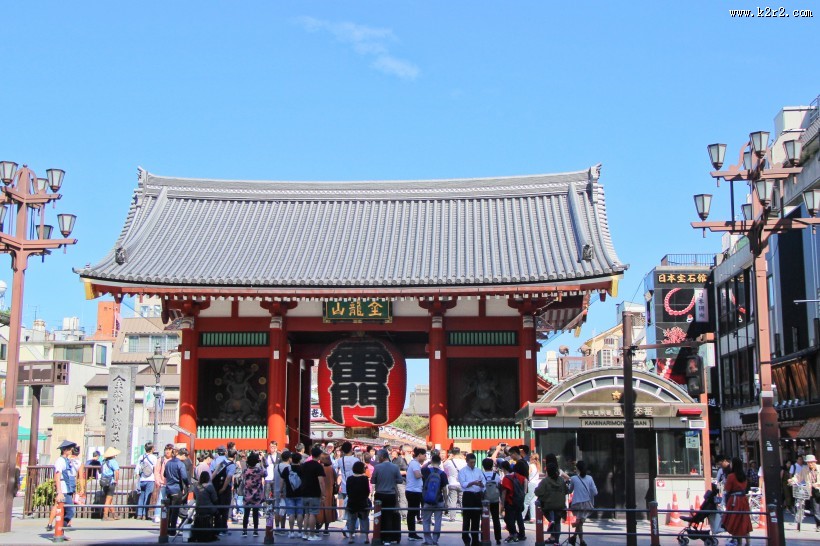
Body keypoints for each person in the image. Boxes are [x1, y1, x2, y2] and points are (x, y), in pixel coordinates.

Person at [371, 448, 403, 545]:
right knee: (389, 516)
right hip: (391, 494)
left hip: (380, 494)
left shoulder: (377, 467)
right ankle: (388, 538)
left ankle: (379, 536)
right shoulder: (395, 467)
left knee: (378, 516)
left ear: (381, 457)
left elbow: (372, 481)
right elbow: (400, 480)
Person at [535, 461, 570, 545]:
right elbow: (566, 491)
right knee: (558, 521)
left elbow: (538, 492)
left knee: (541, 503)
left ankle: (551, 520)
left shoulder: (545, 481)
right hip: (560, 505)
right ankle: (556, 541)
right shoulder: (561, 480)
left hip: (548, 505)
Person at [723, 457, 753, 546]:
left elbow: (727, 489)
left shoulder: (731, 476)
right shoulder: (744, 477)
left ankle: (738, 542)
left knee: (735, 521)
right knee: (745, 520)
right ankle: (748, 542)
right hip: (743, 499)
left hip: (734, 500)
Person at [300, 445, 327, 541]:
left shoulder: (304, 465)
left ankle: (305, 533)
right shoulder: (318, 466)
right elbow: (321, 481)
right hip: (314, 492)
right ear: (319, 455)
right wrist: (323, 493)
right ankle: (311, 534)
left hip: (304, 492)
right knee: (313, 513)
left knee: (306, 514)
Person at [421, 453, 448, 546]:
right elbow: (445, 489)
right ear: (440, 462)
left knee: (426, 520)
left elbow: (421, 468)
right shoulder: (443, 474)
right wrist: (446, 502)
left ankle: (428, 540)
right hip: (439, 500)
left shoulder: (426, 471)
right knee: (438, 521)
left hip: (427, 500)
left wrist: (428, 462)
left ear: (431, 461)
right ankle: (435, 540)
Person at [568, 460, 598, 546]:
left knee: (579, 522)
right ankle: (580, 541)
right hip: (587, 504)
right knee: (580, 522)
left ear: (577, 469)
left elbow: (570, 490)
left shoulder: (574, 478)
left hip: (576, 503)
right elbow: (595, 492)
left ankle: (575, 538)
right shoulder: (590, 478)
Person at [52, 440, 79, 531]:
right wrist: (59, 492)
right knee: (70, 511)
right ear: (65, 450)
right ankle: (59, 530)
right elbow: (57, 475)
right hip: (63, 490)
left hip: (68, 489)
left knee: (66, 511)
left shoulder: (67, 460)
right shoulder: (60, 461)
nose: (72, 451)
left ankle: (60, 531)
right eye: (70, 449)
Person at [334, 441, 360, 535]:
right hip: (355, 486)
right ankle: (350, 527)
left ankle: (351, 527)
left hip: (345, 486)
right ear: (351, 449)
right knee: (354, 508)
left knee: (348, 507)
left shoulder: (341, 460)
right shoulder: (356, 460)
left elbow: (335, 469)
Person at [164, 445, 189, 537]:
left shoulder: (168, 463)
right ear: (183, 455)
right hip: (176, 488)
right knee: (175, 511)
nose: (185, 459)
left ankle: (166, 528)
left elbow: (165, 474)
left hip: (168, 489)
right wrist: (187, 484)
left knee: (169, 510)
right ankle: (173, 530)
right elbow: (184, 477)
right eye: (186, 457)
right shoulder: (180, 464)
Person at [500, 460, 526, 543]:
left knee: (508, 519)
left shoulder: (506, 478)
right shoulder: (522, 477)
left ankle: (513, 534)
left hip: (510, 501)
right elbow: (524, 490)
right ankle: (521, 534)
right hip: (519, 502)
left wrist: (502, 505)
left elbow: (504, 493)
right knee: (519, 517)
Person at [212, 447, 237, 534]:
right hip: (225, 489)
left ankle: (216, 528)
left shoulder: (222, 462)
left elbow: (214, 473)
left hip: (217, 487)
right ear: (235, 455)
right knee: (225, 509)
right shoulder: (232, 465)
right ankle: (223, 528)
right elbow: (228, 477)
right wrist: (223, 488)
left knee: (218, 508)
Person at [241, 451, 267, 537]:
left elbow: (243, 478)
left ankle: (244, 531)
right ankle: (255, 531)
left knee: (246, 513)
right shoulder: (259, 471)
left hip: (247, 494)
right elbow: (266, 473)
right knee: (255, 514)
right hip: (257, 495)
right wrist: (261, 463)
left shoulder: (245, 471)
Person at [346, 461, 372, 544]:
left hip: (352, 501)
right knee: (364, 519)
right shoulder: (364, 479)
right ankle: (366, 537)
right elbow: (367, 491)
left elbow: (348, 491)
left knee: (351, 519)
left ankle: (350, 537)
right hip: (362, 501)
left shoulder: (349, 478)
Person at [191, 470, 219, 543]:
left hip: (199, 509)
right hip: (208, 508)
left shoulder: (196, 487)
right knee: (218, 514)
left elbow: (194, 497)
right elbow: (215, 499)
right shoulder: (210, 486)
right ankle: (215, 533)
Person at [794, 454, 820, 532]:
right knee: (816, 510)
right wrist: (793, 480)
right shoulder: (805, 469)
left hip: (818, 488)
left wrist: (818, 484)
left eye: (811, 462)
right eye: (808, 462)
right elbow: (798, 477)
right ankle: (818, 525)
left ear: (815, 462)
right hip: (813, 491)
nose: (810, 464)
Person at [282, 451, 305, 539]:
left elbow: (282, 481)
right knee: (300, 513)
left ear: (292, 459)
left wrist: (280, 491)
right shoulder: (303, 469)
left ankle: (291, 531)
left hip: (289, 493)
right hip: (300, 493)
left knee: (291, 513)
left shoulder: (287, 469)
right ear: (299, 460)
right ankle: (300, 531)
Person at [405, 447, 426, 542]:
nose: (425, 457)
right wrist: (424, 475)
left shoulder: (414, 463)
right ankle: (411, 533)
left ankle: (412, 533)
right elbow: (417, 475)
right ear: (419, 455)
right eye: (424, 455)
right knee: (412, 513)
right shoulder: (415, 464)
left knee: (412, 512)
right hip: (413, 491)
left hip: (413, 490)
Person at [481, 457, 503, 546]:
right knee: (496, 519)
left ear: (483, 466)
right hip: (494, 499)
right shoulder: (496, 476)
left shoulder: (481, 475)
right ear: (492, 466)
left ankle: (484, 536)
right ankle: (498, 538)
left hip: (484, 499)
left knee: (484, 518)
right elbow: (499, 486)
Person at [317, 451, 337, 535]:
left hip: (320, 491)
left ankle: (317, 527)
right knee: (328, 509)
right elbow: (335, 479)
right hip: (330, 492)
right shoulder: (331, 469)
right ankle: (326, 529)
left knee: (319, 510)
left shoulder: (319, 468)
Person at [153, 443, 174, 523]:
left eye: (169, 449)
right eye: (166, 450)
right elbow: (156, 471)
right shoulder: (161, 459)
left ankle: (170, 516)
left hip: (171, 483)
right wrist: (157, 481)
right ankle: (157, 515)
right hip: (163, 483)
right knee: (161, 499)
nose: (167, 451)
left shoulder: (173, 459)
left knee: (172, 500)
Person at [443, 447, 466, 522]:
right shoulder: (464, 462)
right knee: (462, 500)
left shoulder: (449, 462)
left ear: (452, 453)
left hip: (452, 483)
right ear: (459, 453)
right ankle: (465, 516)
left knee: (452, 500)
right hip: (462, 483)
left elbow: (444, 469)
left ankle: (452, 517)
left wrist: (449, 458)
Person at [137, 442, 158, 520]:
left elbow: (138, 469)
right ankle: (144, 514)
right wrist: (156, 479)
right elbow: (155, 469)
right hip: (150, 479)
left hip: (142, 479)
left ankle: (139, 514)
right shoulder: (153, 457)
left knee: (141, 497)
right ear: (152, 449)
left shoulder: (141, 457)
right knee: (147, 497)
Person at [273, 450, 292, 536]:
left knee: (277, 509)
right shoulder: (289, 467)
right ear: (289, 458)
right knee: (283, 510)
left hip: (275, 489)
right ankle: (282, 528)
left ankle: (277, 527)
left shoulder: (276, 466)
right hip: (284, 490)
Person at [100, 446, 122, 520]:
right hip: (110, 481)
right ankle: (105, 515)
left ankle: (114, 514)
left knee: (109, 498)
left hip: (103, 481)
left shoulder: (103, 461)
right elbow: (116, 472)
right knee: (108, 499)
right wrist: (116, 480)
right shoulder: (113, 462)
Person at [524, 453, 542, 523]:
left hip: (531, 484)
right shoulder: (537, 466)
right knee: (533, 501)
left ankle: (522, 516)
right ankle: (533, 517)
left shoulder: (531, 466)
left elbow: (527, 474)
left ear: (531, 458)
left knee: (526, 501)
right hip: (536, 484)